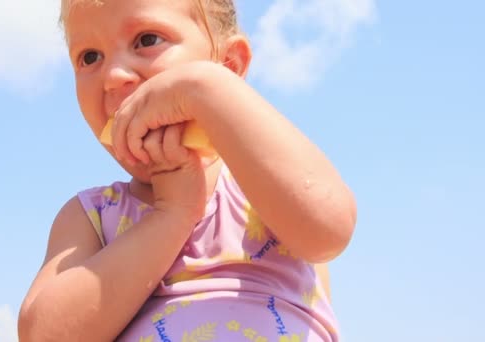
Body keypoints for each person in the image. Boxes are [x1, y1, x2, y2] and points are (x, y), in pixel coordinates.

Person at [18, 0, 357, 341]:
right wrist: (173, 214)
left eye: (147, 40)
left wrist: (204, 88)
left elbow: (328, 228)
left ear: (228, 65)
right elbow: (44, 334)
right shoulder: (91, 217)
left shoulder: (263, 184)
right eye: (90, 57)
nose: (113, 75)